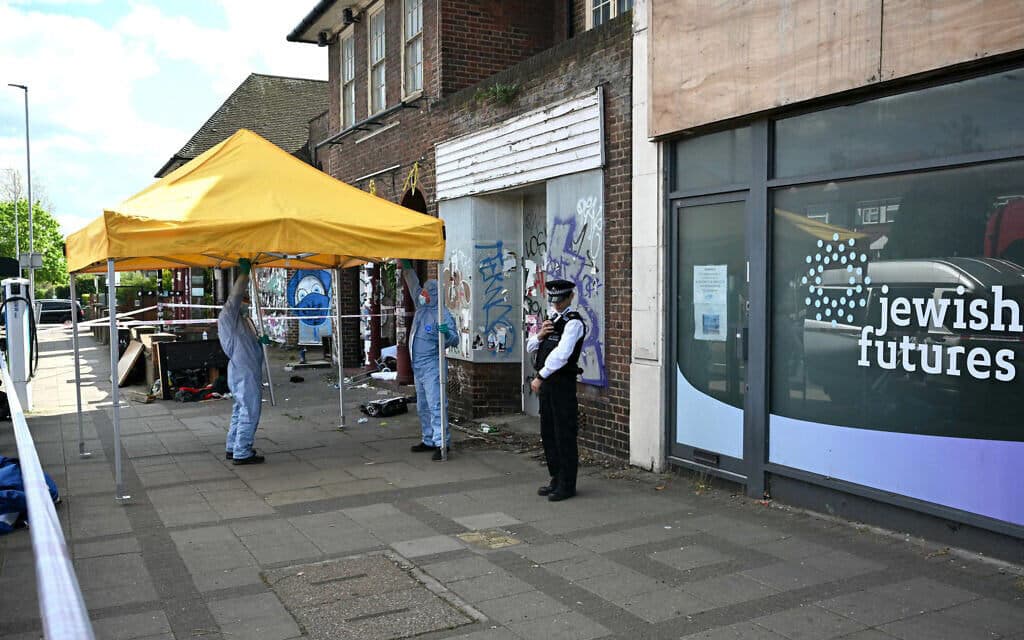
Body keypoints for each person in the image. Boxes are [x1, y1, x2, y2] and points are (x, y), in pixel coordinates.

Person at [527, 279, 586, 502]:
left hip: (562, 383)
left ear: (570, 297)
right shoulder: (551, 320)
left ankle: (567, 484)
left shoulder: (573, 323)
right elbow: (531, 346)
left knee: (564, 434)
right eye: (553, 301)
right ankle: (556, 477)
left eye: (560, 300)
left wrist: (540, 376)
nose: (556, 305)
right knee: (548, 433)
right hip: (548, 384)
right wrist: (540, 335)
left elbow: (562, 354)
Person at [402, 260, 459, 460]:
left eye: (427, 292)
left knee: (436, 404)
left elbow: (455, 339)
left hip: (432, 366)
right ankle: (428, 439)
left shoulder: (442, 314)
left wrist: (447, 334)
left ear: (434, 294)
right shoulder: (422, 307)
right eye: (423, 291)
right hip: (418, 366)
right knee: (423, 405)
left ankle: (442, 443)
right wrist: (406, 265)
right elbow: (413, 284)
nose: (423, 294)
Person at [220, 259, 271, 464]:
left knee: (241, 409)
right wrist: (244, 275)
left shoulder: (241, 321)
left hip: (244, 370)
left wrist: (260, 342)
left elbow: (247, 345)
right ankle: (242, 451)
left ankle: (233, 446)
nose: (247, 303)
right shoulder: (228, 316)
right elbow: (234, 297)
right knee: (249, 410)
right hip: (244, 372)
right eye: (245, 300)